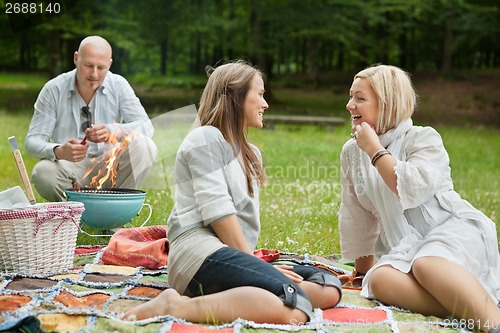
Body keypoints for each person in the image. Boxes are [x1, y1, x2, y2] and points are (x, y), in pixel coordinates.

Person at [123, 60, 342, 324]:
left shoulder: (252, 155)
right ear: (236, 97)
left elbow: (243, 225)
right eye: (259, 94)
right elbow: (219, 213)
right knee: (295, 311)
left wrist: (256, 268)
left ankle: (239, 297)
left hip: (233, 257)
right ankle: (174, 306)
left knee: (329, 287)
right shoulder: (204, 139)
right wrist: (257, 266)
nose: (266, 104)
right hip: (197, 256)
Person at [339, 64, 500, 332]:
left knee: (427, 265)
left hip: (451, 231)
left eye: (360, 98)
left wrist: (375, 150)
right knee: (378, 281)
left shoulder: (423, 139)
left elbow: (411, 189)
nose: (349, 105)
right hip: (405, 246)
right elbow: (357, 212)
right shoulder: (351, 151)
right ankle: (476, 305)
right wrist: (363, 269)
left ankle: (491, 321)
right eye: (350, 96)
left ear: (388, 104)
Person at [25, 35, 157, 202]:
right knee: (42, 172)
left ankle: (115, 214)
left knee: (145, 146)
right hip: (70, 167)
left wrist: (112, 131)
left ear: (109, 64)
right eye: (88, 65)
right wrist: (58, 150)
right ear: (76, 58)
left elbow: (146, 127)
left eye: (101, 67)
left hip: (110, 164)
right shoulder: (53, 89)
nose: (94, 74)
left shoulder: (119, 85)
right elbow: (32, 141)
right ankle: (73, 216)